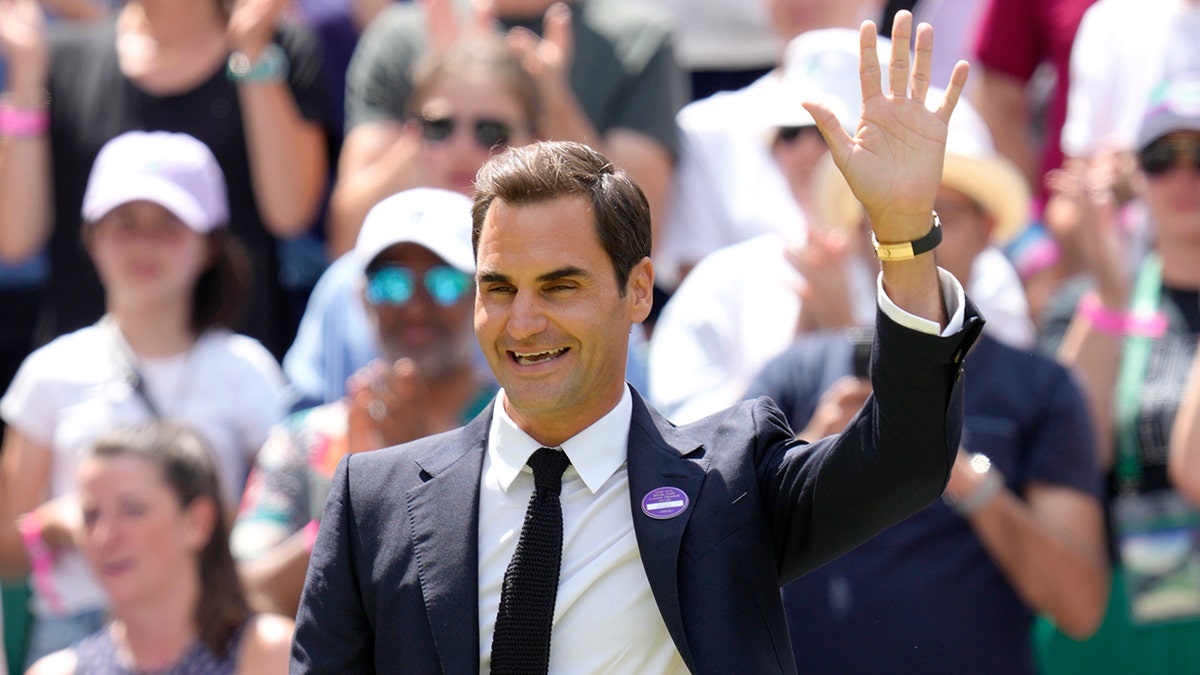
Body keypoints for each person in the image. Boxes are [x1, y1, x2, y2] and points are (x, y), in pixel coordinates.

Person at [291, 12, 983, 672]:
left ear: (639, 290)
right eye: (500, 288)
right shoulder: (371, 499)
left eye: (560, 286)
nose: (524, 321)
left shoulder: (728, 482)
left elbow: (907, 457)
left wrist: (901, 233)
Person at [745, 123, 1109, 673]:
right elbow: (717, 559)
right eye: (889, 213)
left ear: (988, 230)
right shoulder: (794, 374)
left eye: (938, 217)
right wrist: (813, 454)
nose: (913, 234)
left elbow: (1079, 608)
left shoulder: (1040, 390)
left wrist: (962, 476)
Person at [0, 130, 288, 665]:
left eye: (169, 226)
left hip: (208, 628)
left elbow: (281, 513)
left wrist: (176, 520)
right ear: (92, 239)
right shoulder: (49, 372)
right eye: (125, 224)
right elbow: (6, 549)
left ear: (208, 245)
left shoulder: (247, 372)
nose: (144, 244)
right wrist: (61, 526)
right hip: (74, 630)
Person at [648, 36, 1033, 425]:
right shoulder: (722, 280)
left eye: (834, 133)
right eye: (790, 134)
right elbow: (691, 447)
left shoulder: (979, 272)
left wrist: (843, 341)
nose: (809, 152)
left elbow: (1004, 413)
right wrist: (815, 359)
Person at [0, 0, 332, 359]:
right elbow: (14, 238)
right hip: (84, 380)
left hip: (227, 369)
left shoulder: (274, 47)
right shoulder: (60, 55)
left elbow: (290, 212)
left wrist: (251, 53)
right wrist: (27, 76)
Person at [231, 188, 498, 616]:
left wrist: (417, 469)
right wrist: (356, 509)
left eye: (443, 283)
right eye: (390, 282)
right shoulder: (304, 440)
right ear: (361, 296)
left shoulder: (518, 429)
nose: (414, 305)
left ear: (482, 295)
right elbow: (246, 596)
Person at [1036, 71, 1200, 674]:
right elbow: (1070, 455)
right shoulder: (1086, 303)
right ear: (1138, 178)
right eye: (1162, 158)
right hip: (1112, 625)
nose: (1184, 177)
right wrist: (1108, 291)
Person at [327, 0, 685, 257]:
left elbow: (638, 244)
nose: (466, 147)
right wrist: (444, 92)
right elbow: (348, 238)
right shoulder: (399, 34)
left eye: (491, 131)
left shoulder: (639, 38)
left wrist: (555, 107)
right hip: (421, 288)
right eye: (442, 128)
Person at [25, 422, 293, 674]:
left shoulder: (272, 655)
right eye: (91, 515)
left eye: (132, 510)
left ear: (197, 522)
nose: (105, 536)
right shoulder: (57, 670)